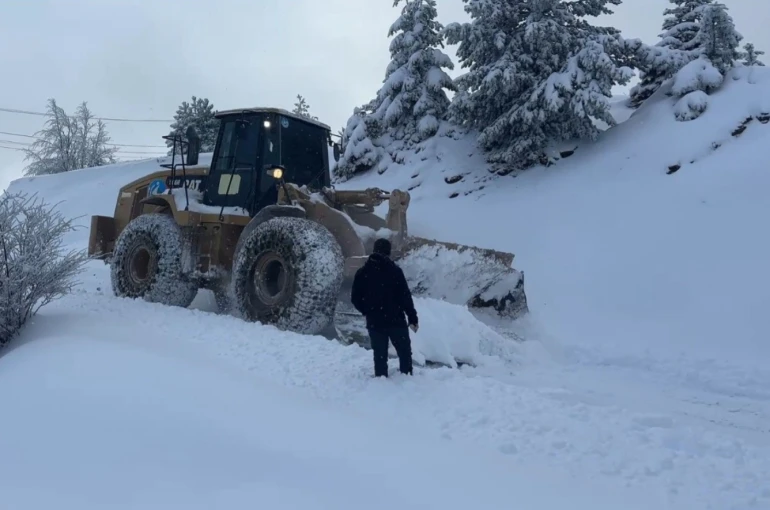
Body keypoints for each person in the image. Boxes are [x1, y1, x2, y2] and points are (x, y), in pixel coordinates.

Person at [351, 238, 418, 377]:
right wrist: (412, 317)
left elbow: (355, 298)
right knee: (404, 354)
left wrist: (367, 310)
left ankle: (381, 382)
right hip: (396, 321)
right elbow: (405, 297)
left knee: (380, 356)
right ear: (388, 252)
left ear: (374, 250)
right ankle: (407, 379)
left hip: (375, 322)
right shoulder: (396, 271)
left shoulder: (362, 273)